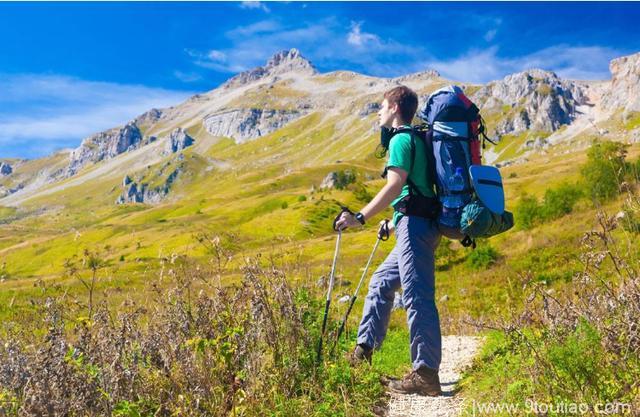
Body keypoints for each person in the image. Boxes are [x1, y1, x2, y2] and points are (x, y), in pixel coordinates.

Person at [334, 85, 442, 396]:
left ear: (395, 107)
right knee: (382, 281)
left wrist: (360, 217)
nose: (379, 112)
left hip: (416, 227)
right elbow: (415, 190)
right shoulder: (414, 140)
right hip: (413, 224)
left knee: (417, 295)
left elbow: (394, 186)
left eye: (382, 106)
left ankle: (425, 374)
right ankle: (362, 353)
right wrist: (393, 222)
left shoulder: (400, 139)